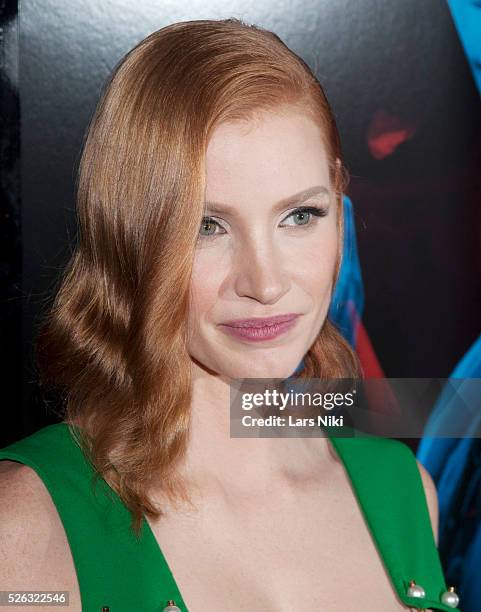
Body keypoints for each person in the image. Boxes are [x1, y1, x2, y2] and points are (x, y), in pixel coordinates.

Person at [0, 18, 461, 611]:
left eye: (300, 216)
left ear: (341, 210)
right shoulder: (26, 529)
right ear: (128, 239)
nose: (266, 284)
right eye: (206, 226)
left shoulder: (404, 489)